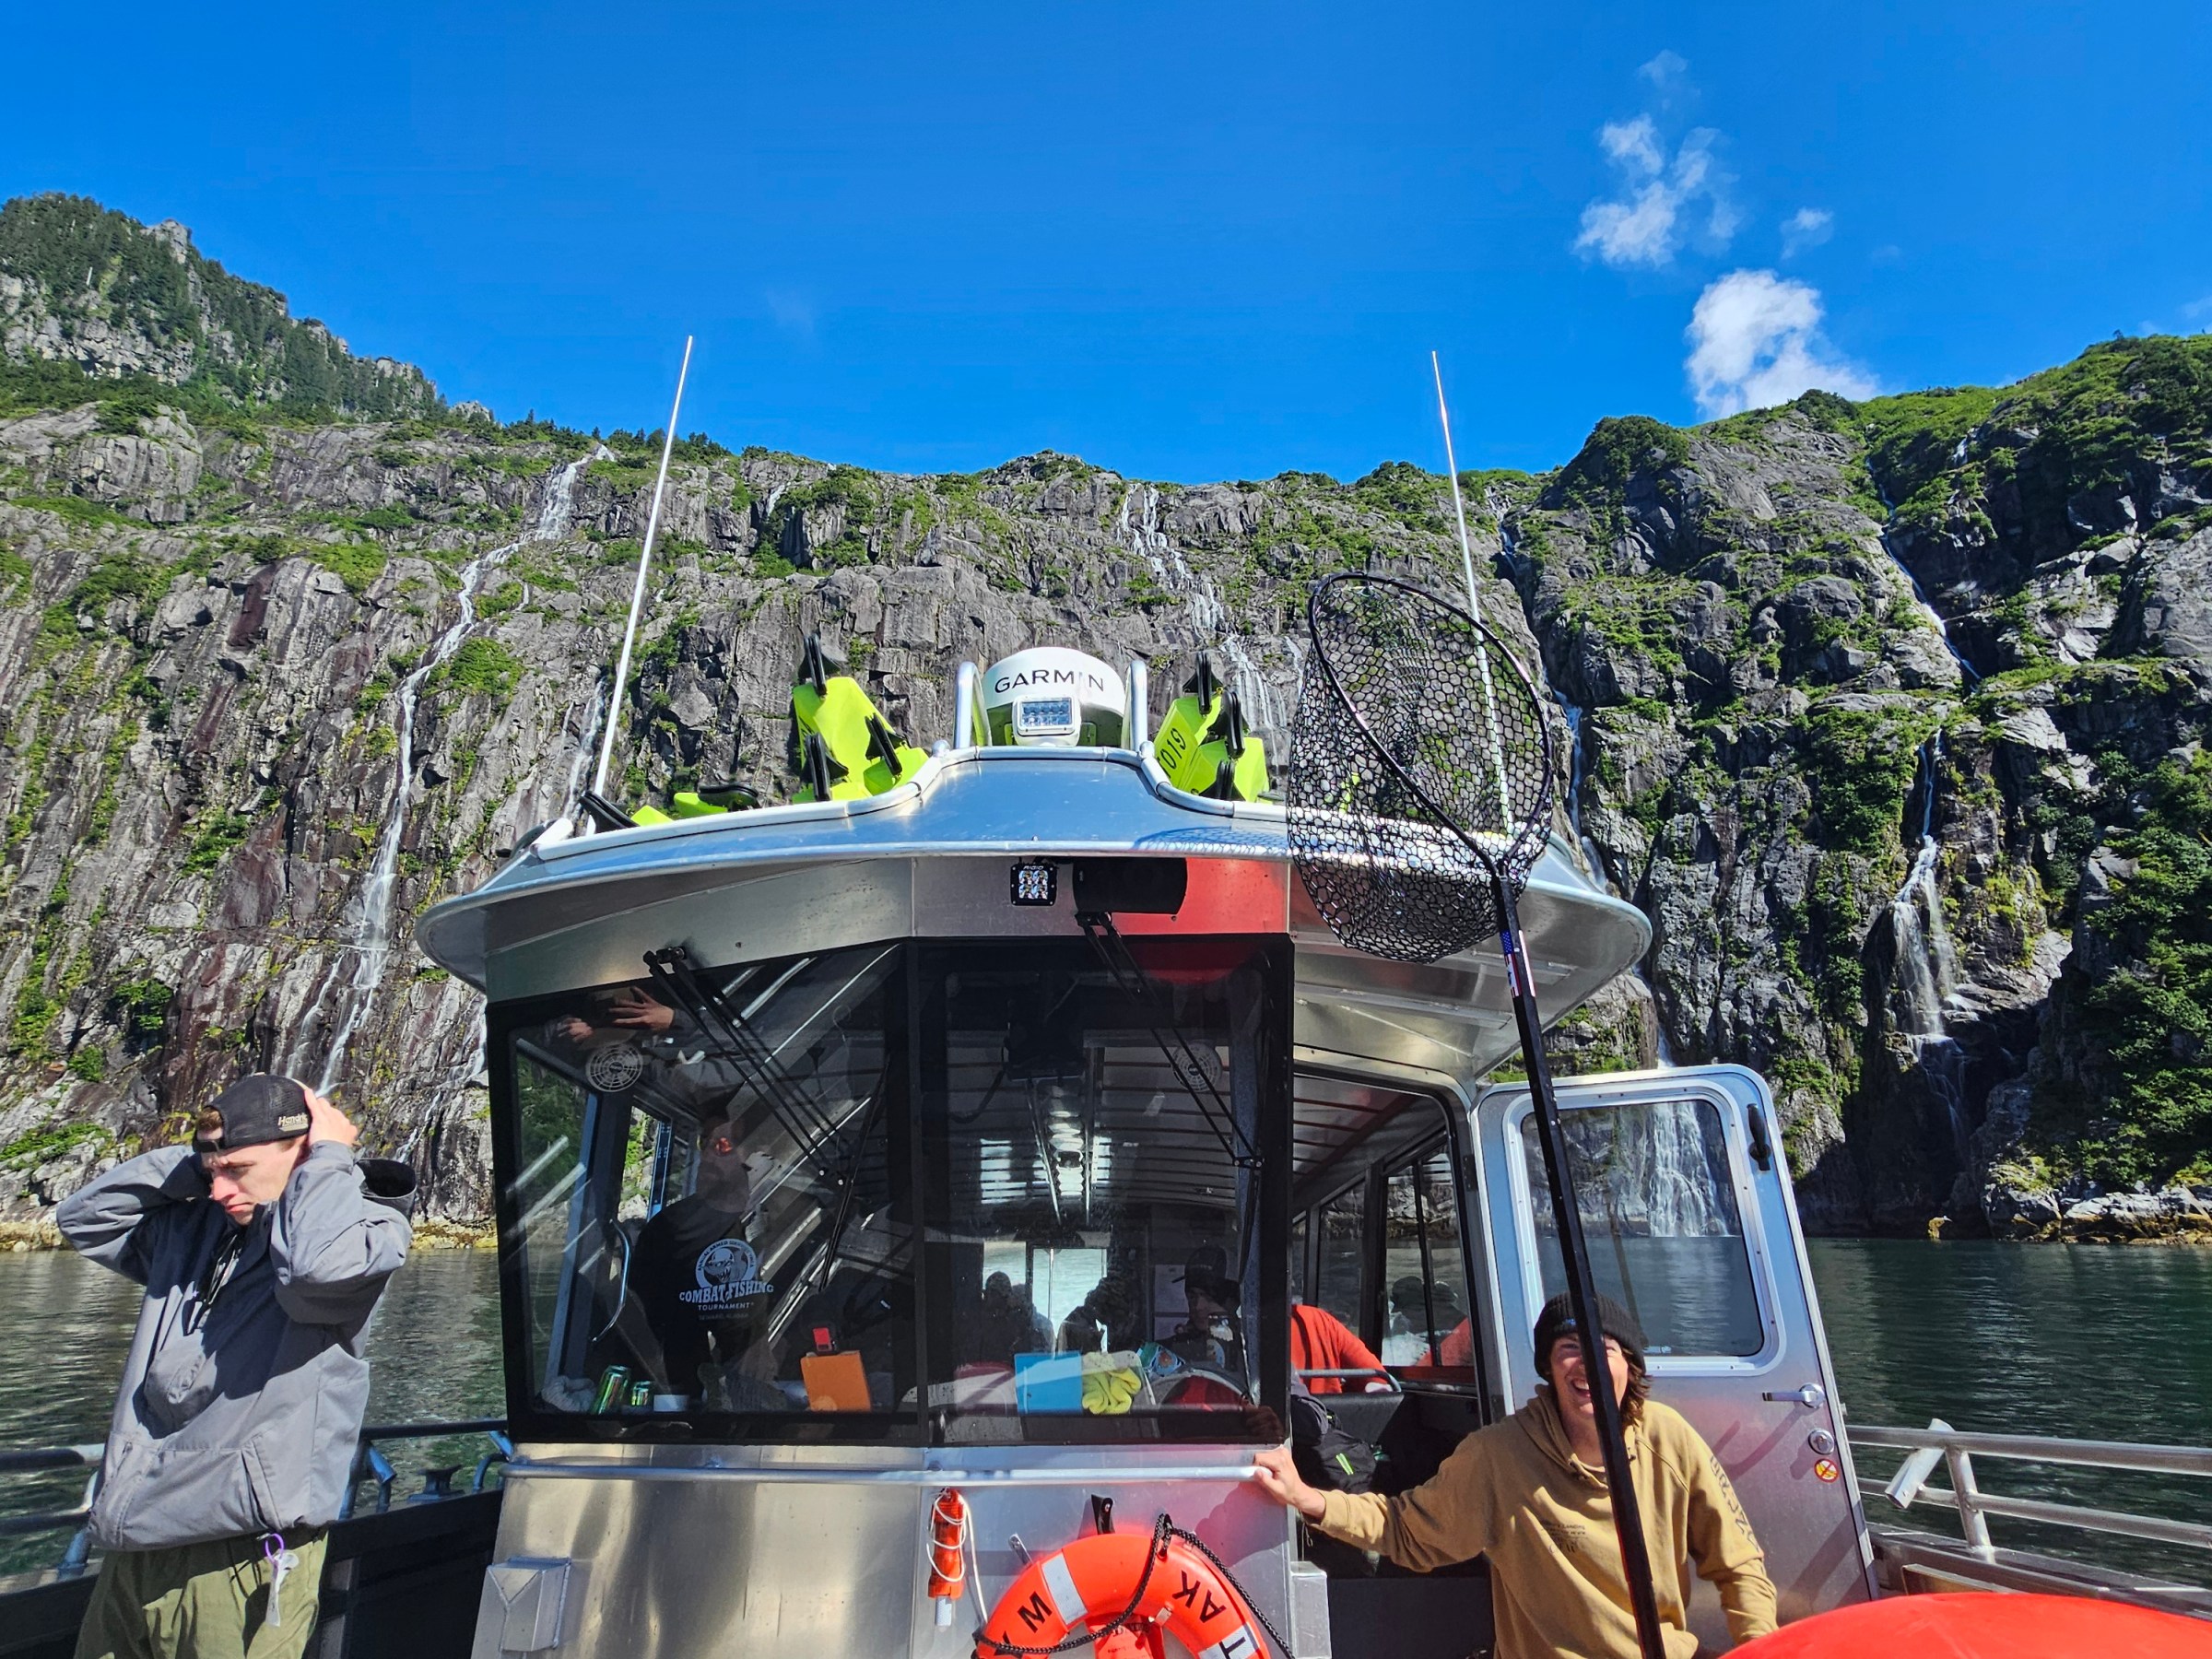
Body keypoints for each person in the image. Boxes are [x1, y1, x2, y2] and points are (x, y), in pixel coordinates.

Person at [58, 1075, 416, 1659]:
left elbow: (314, 1272)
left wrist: (326, 1159)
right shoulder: (198, 1229)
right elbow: (86, 1218)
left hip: (242, 1550)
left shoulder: (366, 1233)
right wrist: (206, 1157)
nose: (222, 1189)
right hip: (138, 1535)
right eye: (213, 1175)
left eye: (241, 1170)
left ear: (301, 1152)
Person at [1253, 1292, 1778, 1659]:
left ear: (1630, 1367)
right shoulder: (1499, 1455)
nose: (1587, 1365)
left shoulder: (1670, 1440)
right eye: (1569, 1349)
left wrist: (1762, 1647)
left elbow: (1739, 1565)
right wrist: (1308, 1498)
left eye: (1606, 1350)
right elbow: (1406, 1529)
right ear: (1549, 1369)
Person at [630, 1112, 781, 1406]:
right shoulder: (672, 1229)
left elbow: (746, 1346)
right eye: (704, 1143)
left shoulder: (732, 1224)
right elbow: (672, 1339)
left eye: (722, 1145)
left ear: (752, 1156)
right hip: (680, 1396)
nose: (707, 1156)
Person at [1289, 1298, 1388, 1394]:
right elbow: (1380, 1381)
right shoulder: (1321, 1322)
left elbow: (1379, 1381)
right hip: (1328, 1410)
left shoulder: (1323, 1323)